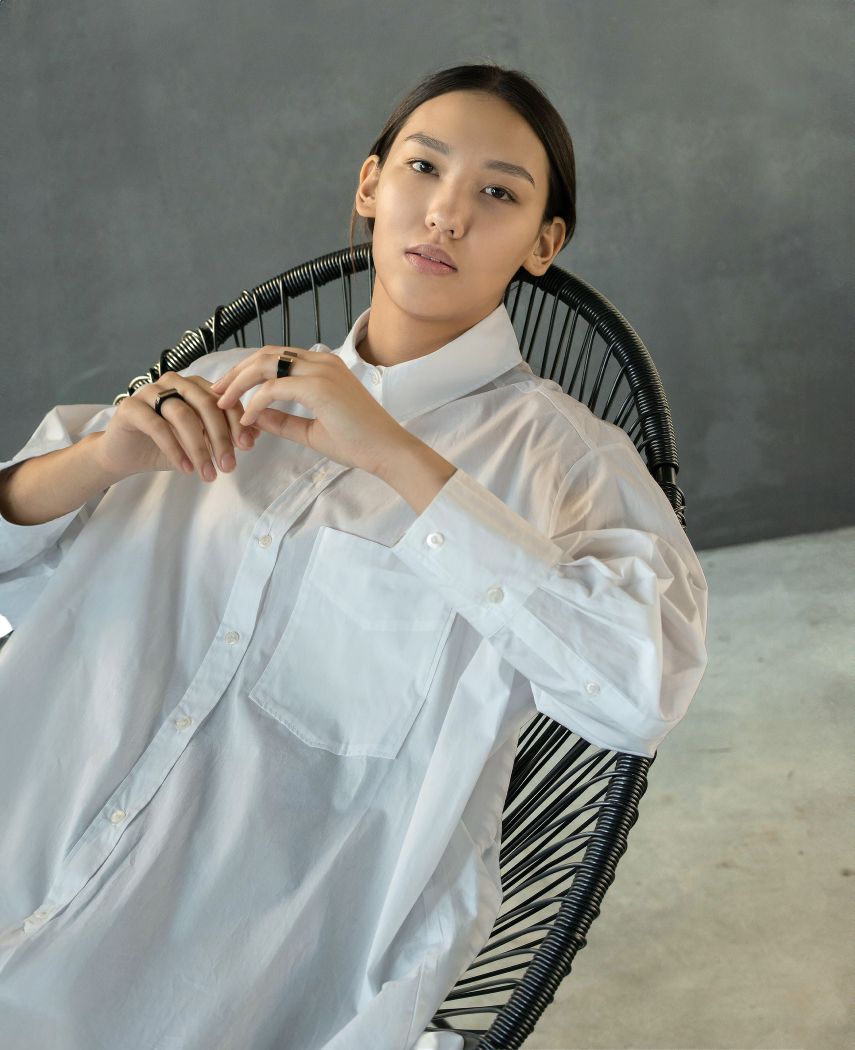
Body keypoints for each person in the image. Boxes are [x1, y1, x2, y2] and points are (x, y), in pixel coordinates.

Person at [0, 62, 709, 1049]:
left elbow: (639, 689)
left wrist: (397, 457)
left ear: (544, 243)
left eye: (498, 193)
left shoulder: (567, 464)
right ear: (371, 185)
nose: (448, 214)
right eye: (423, 168)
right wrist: (99, 460)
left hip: (208, 987)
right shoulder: (213, 387)